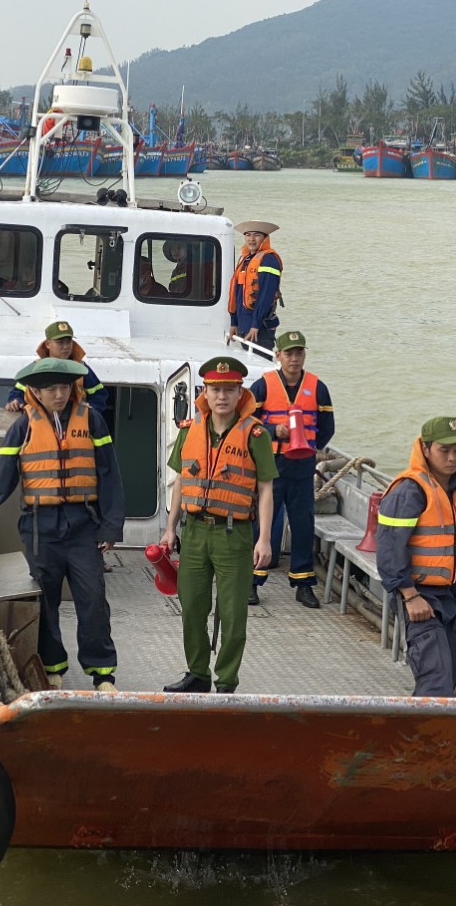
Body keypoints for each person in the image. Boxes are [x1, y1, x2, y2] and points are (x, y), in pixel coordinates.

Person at [0, 357, 125, 691]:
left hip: (82, 525)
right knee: (44, 600)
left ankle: (103, 673)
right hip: (39, 528)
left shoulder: (92, 420)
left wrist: (110, 527)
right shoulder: (23, 426)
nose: (59, 394)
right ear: (36, 392)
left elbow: (110, 475)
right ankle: (53, 667)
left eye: (64, 387)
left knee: (93, 598)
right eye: (51, 389)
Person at [160, 357, 277, 694]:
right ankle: (197, 673)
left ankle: (226, 681)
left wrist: (265, 539)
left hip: (234, 533)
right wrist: (171, 529)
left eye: (229, 389)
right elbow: (181, 480)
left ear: (240, 393)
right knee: (192, 607)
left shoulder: (255, 435)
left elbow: (266, 489)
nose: (222, 396)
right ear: (205, 392)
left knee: (233, 613)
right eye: (215, 389)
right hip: (194, 531)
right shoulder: (189, 430)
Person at [376, 417, 456, 697]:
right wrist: (410, 596)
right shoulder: (408, 491)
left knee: (448, 676)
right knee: (436, 682)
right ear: (425, 449)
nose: (452, 457)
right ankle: (420, 738)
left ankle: (431, 737)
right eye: (444, 451)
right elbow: (388, 553)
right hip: (422, 598)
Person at [248, 330, 335, 608]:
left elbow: (327, 427)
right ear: (278, 356)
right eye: (289, 353)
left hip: (302, 465)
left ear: (304, 355)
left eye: (299, 353)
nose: (294, 358)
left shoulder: (317, 386)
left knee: (302, 524)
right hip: (271, 463)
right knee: (263, 522)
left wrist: (309, 445)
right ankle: (252, 580)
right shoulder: (263, 385)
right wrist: (274, 431)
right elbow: (247, 421)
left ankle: (303, 582)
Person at [6, 320, 108, 414]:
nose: (66, 346)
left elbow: (99, 395)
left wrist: (91, 411)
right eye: (60, 342)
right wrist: (15, 401)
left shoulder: (82, 369)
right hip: (43, 424)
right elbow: (17, 392)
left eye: (69, 342)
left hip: (75, 426)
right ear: (48, 344)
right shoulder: (36, 368)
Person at [228, 221, 283, 351]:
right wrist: (234, 322)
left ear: (265, 238)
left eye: (256, 235)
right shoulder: (246, 259)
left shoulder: (269, 260)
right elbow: (237, 293)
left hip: (260, 328)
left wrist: (255, 325)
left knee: (261, 364)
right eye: (248, 235)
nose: (251, 239)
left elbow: (266, 295)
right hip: (243, 326)